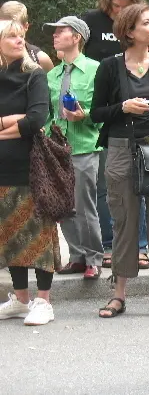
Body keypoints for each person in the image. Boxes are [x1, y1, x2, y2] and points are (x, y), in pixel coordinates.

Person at [90, 4, 149, 320]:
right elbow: (96, 114)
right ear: (130, 31)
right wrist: (123, 107)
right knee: (125, 222)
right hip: (119, 148)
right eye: (147, 23)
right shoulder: (109, 66)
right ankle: (118, 296)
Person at [80, 0, 148, 270]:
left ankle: (141, 246)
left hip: (140, 114)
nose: (120, 12)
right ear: (107, 2)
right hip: (104, 113)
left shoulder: (139, 23)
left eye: (126, 6)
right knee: (106, 186)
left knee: (143, 184)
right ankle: (109, 244)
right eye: (115, 6)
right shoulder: (90, 21)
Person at [0, 20, 58, 326]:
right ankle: (21, 300)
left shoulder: (33, 73)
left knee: (40, 237)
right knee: (10, 236)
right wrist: (13, 122)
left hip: (31, 167)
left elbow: (36, 119)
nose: (18, 39)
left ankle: (43, 301)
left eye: (20, 35)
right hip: (2, 170)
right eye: (10, 36)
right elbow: (23, 121)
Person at [44, 17, 103, 279]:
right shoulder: (52, 75)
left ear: (76, 37)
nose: (55, 35)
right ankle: (77, 256)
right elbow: (46, 113)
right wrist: (46, 138)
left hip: (84, 146)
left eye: (61, 31)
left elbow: (104, 110)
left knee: (83, 204)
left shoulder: (96, 70)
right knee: (62, 204)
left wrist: (85, 115)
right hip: (56, 148)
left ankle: (94, 258)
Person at [81, 0, 145, 63]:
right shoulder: (91, 19)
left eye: (126, 7)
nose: (120, 11)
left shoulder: (140, 22)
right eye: (116, 5)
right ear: (108, 1)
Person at [0, 1, 54, 72]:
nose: (8, 29)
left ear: (26, 27)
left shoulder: (41, 59)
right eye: (4, 27)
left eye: (16, 27)